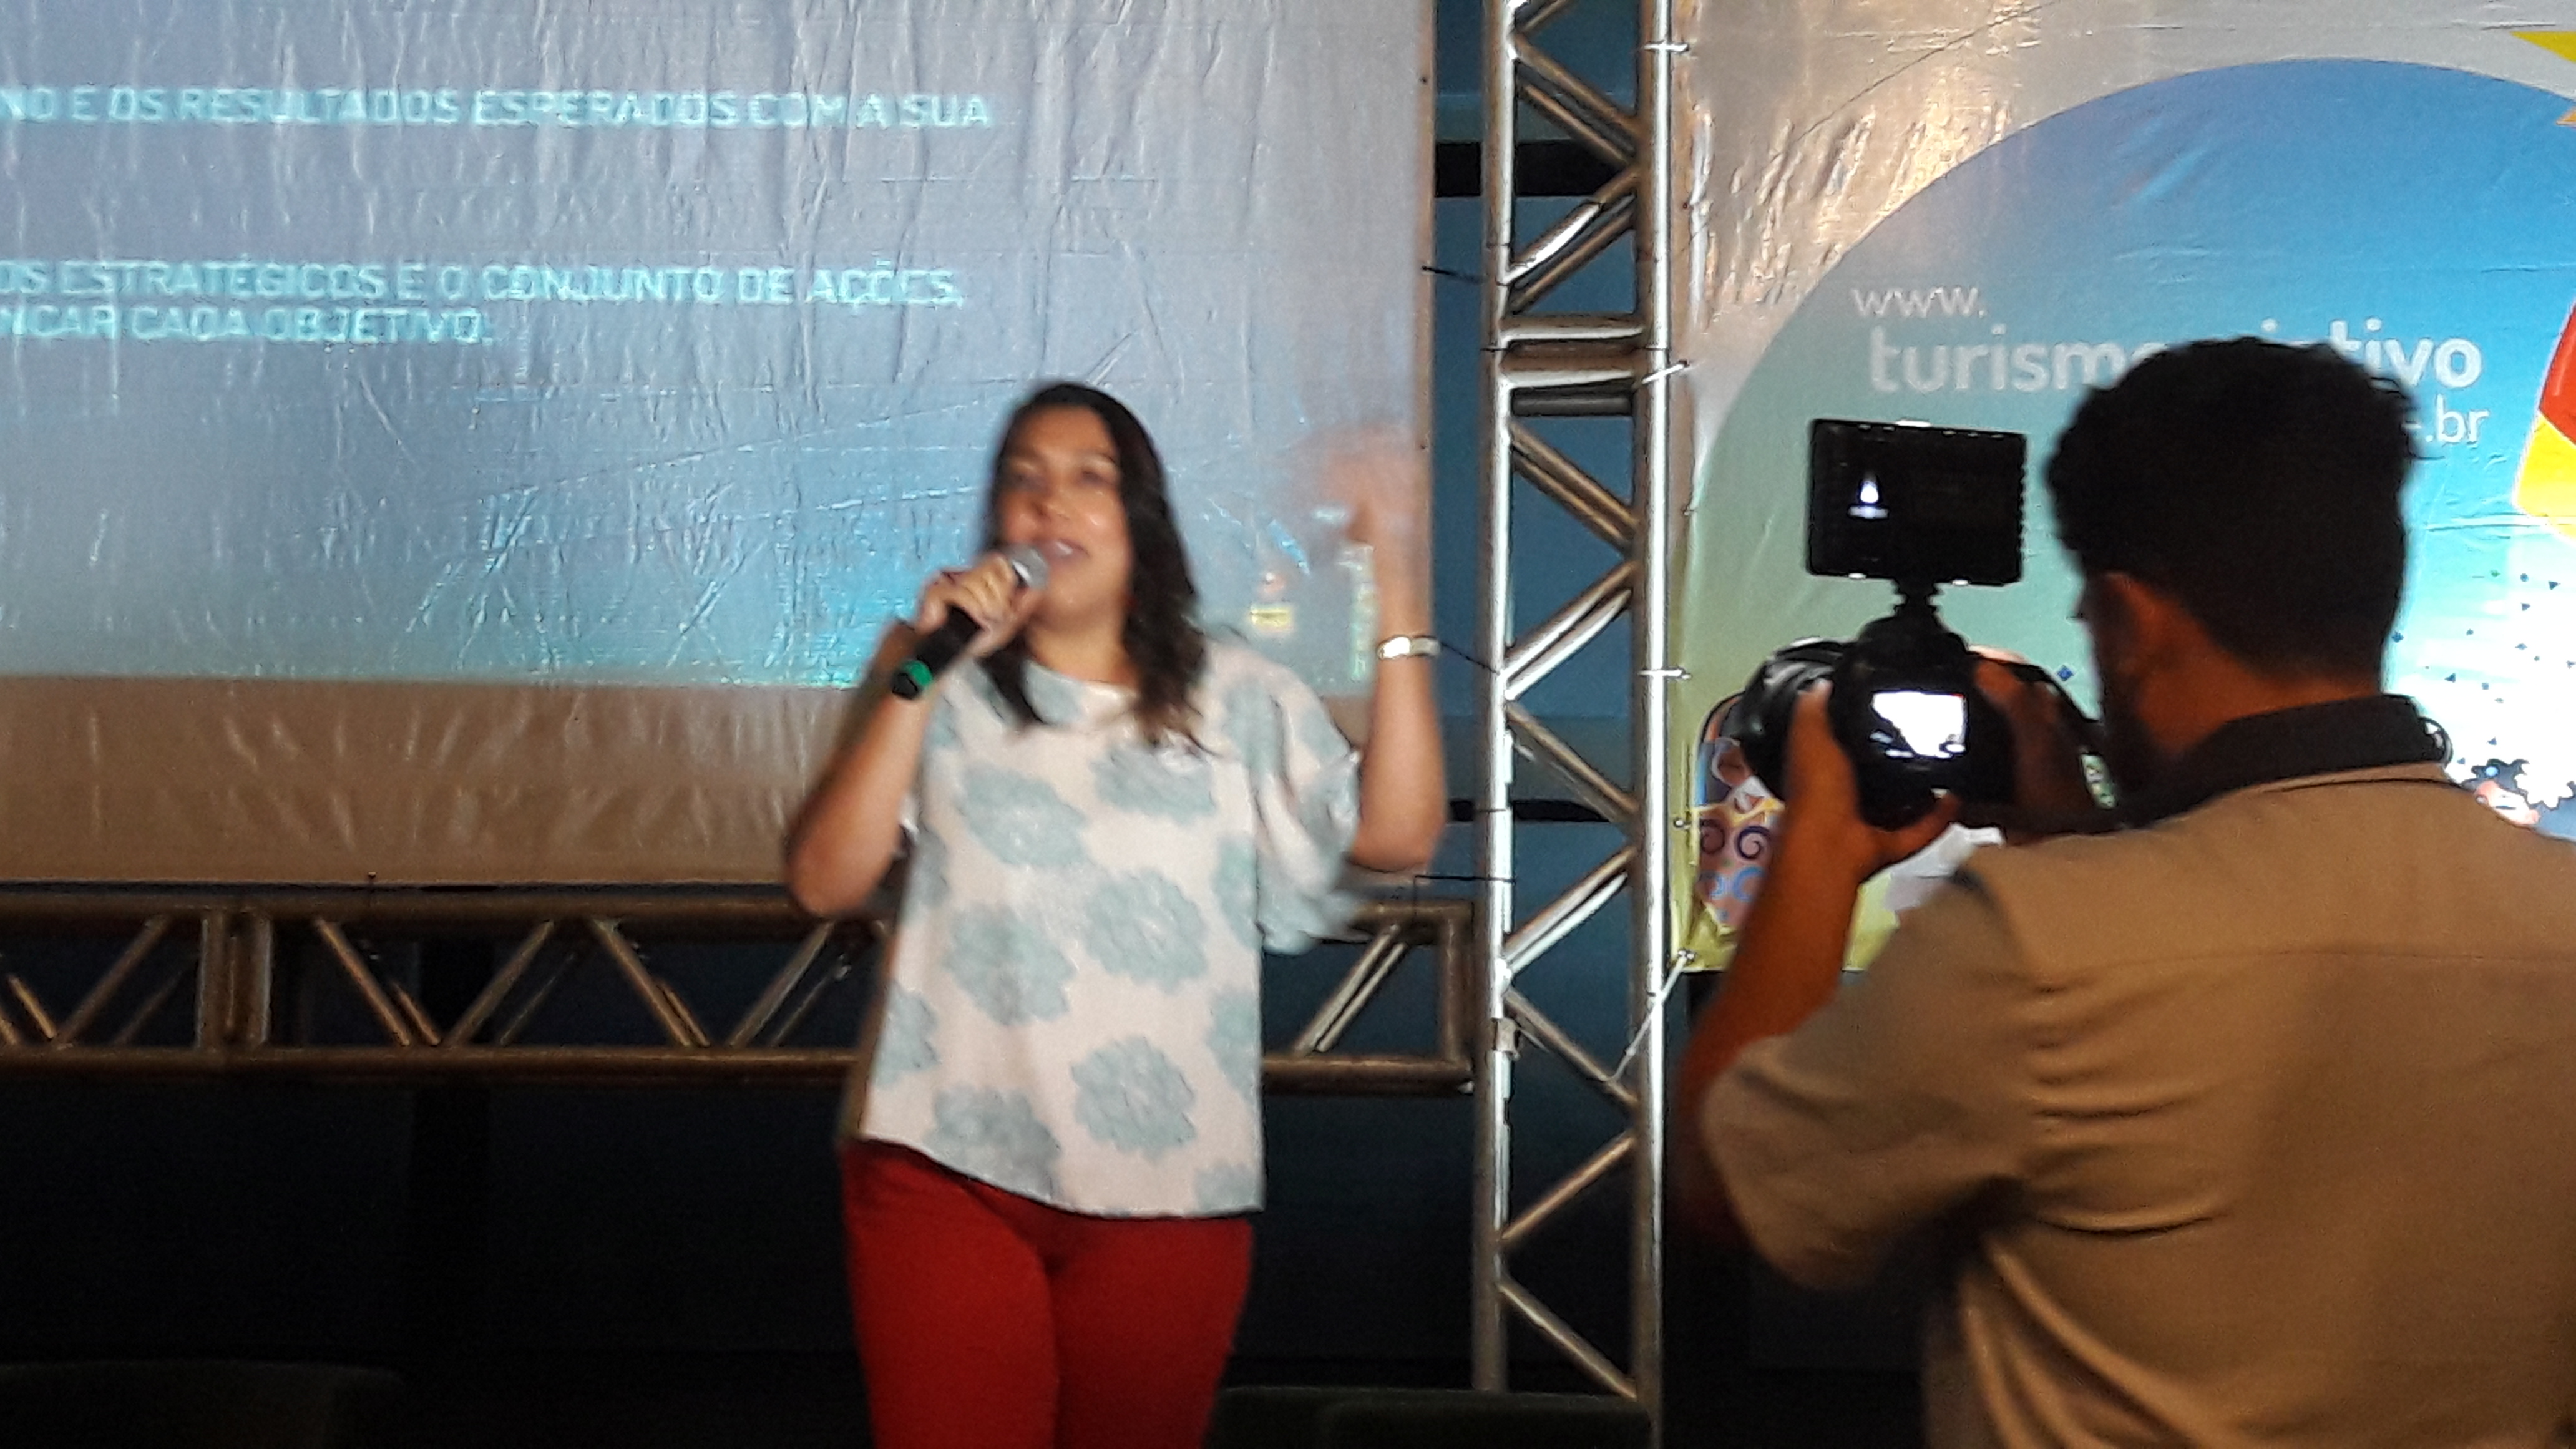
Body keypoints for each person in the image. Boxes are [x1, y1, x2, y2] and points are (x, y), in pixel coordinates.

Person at [1678, 338, 2576, 1448]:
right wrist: (2074, 827)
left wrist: (1817, 841)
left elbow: (1727, 1183)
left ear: (2130, 622)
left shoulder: (2037, 944)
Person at [784, 382, 1445, 1449]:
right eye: (1025, 481)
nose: (1051, 504)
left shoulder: (1237, 693)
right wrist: (922, 670)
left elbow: (1400, 835)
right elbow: (824, 881)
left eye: (1089, 480)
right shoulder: (935, 678)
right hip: (941, 1161)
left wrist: (1399, 587)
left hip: (1169, 1186)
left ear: (1140, 520)